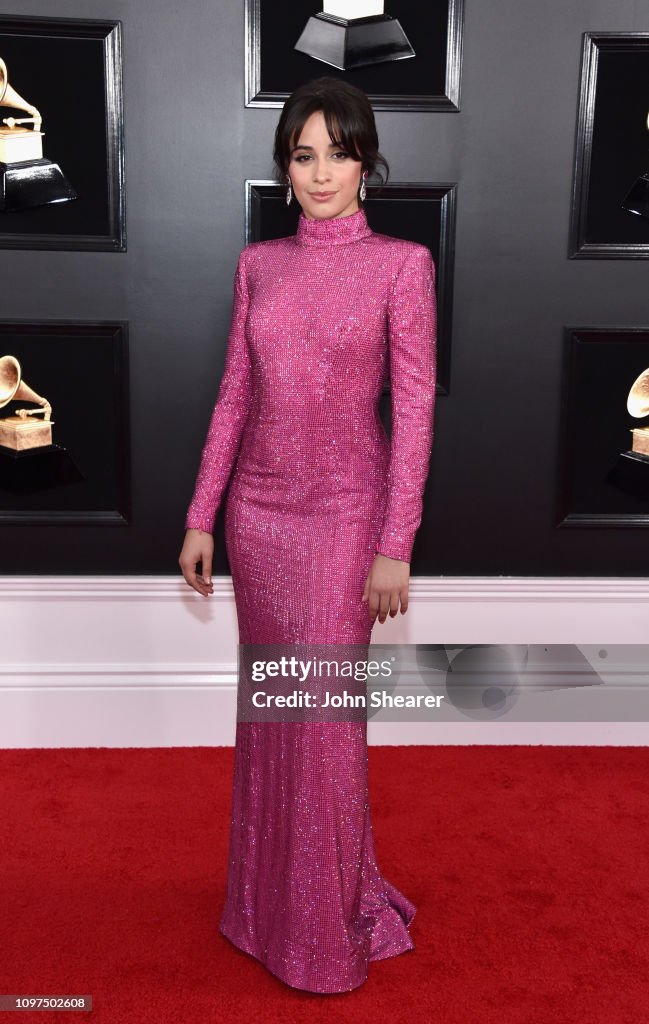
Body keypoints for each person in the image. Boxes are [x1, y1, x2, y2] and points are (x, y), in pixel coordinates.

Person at [178, 75, 437, 994]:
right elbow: (233, 399)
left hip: (343, 519)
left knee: (322, 723)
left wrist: (393, 542)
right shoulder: (259, 266)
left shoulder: (401, 266)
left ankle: (328, 929)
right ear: (283, 168)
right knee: (273, 718)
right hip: (258, 515)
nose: (320, 172)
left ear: (366, 162)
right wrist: (200, 514)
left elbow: (413, 412)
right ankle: (261, 908)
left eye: (338, 151)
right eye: (302, 154)